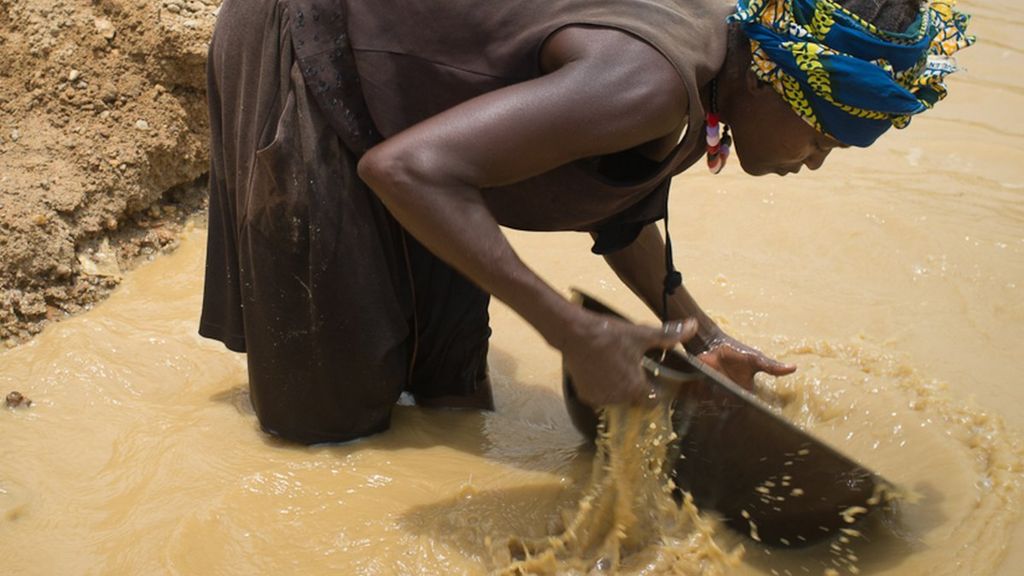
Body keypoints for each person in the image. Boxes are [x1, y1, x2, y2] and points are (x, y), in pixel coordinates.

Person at [200, 0, 972, 444]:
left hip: (420, 106)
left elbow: (614, 201)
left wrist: (700, 339)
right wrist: (570, 330)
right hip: (314, 44)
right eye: (823, 135)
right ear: (778, 80)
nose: (815, 162)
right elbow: (405, 171)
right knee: (330, 432)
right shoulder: (650, 82)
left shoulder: (714, 56)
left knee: (446, 390)